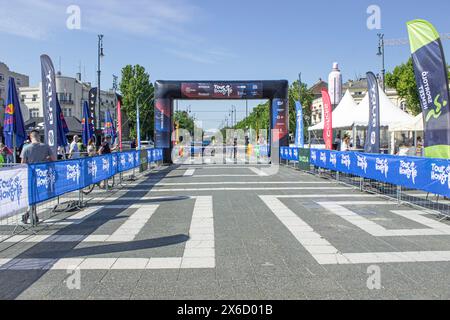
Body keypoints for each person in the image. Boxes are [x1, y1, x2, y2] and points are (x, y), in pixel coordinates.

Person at [20, 130, 57, 224]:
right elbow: (54, 159)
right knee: (36, 195)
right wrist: (45, 159)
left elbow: (23, 164)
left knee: (32, 195)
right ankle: (32, 214)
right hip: (42, 174)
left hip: (30, 175)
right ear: (39, 137)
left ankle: (30, 214)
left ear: (30, 137)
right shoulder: (45, 146)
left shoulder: (26, 148)